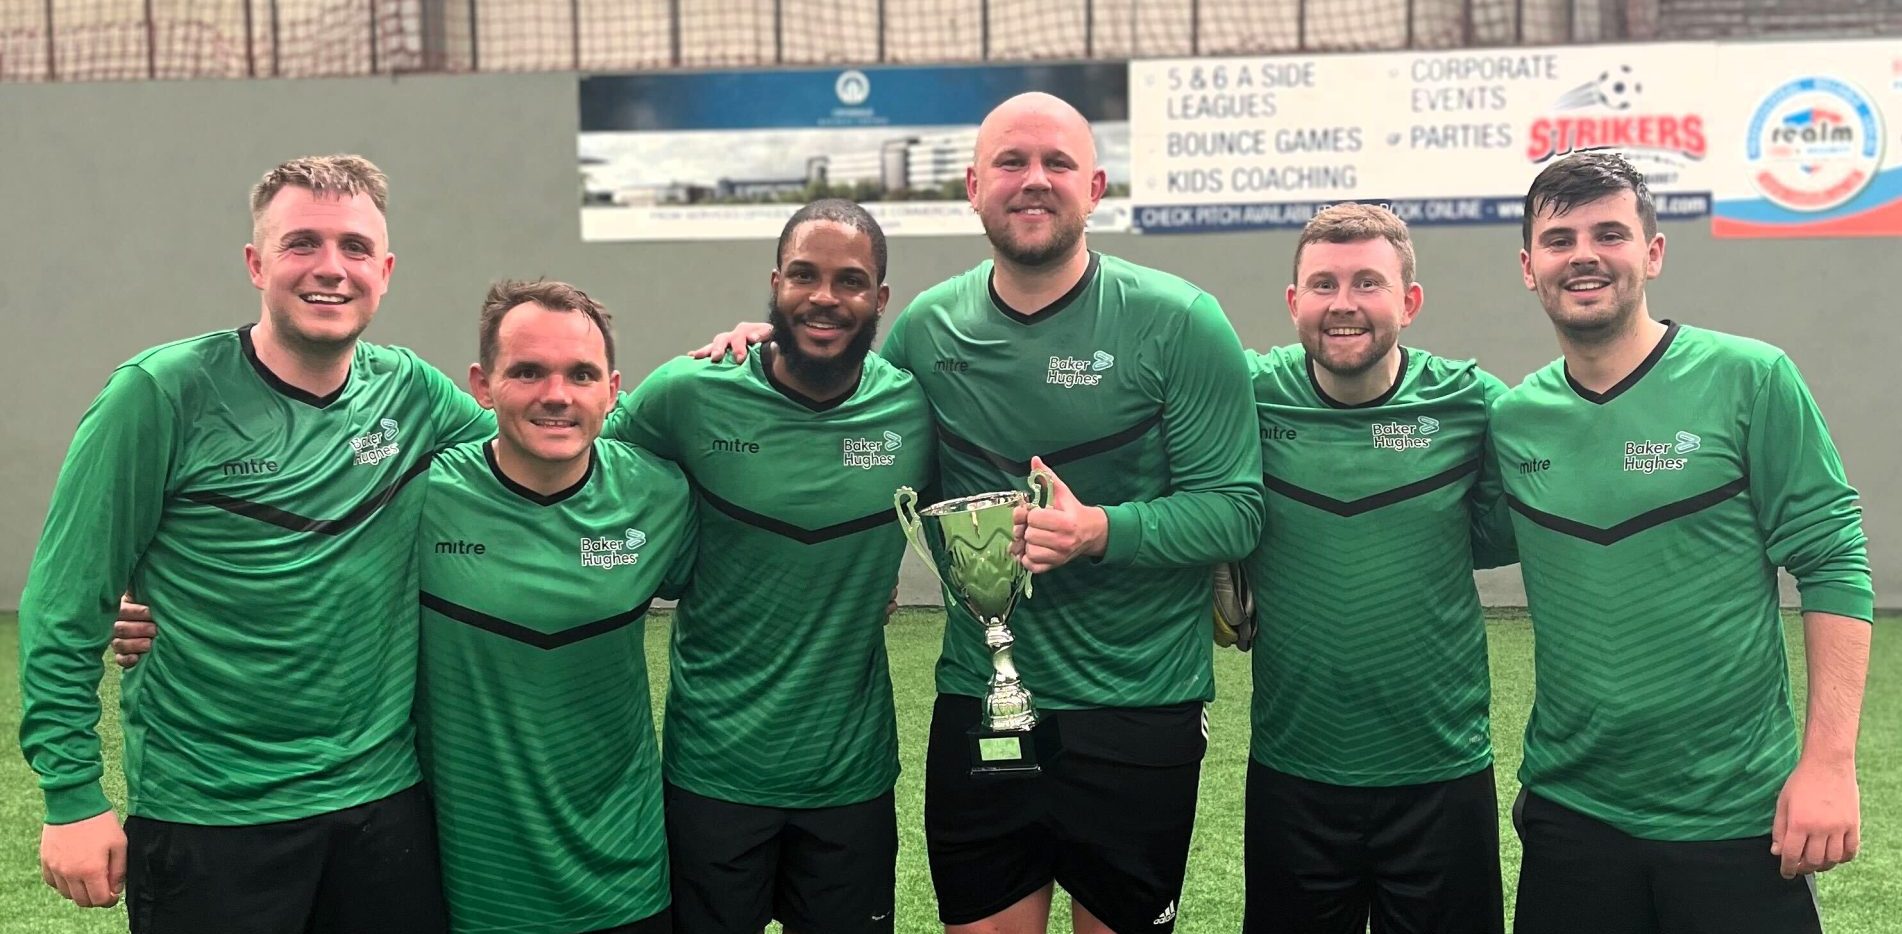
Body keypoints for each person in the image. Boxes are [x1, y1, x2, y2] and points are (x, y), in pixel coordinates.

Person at [696, 92, 1264, 934]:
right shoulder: (927, 330)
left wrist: (1099, 531)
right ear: (972, 185)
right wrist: (777, 345)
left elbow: (1235, 512)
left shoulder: (1180, 321)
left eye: (1057, 164)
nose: (1033, 182)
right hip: (981, 699)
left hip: (1137, 710)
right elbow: (847, 418)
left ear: (1096, 185)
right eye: (1011, 163)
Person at [19, 154, 489, 932]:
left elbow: (556, 442)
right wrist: (71, 798)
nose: (331, 269)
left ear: (387, 270)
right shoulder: (160, 392)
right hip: (210, 815)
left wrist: (751, 355)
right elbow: (66, 601)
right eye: (302, 243)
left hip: (382, 805)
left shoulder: (410, 391)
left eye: (355, 248)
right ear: (256, 263)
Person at [1494, 151, 1873, 934]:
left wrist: (1830, 766)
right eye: (1559, 240)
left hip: (1735, 816)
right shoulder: (1514, 418)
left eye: (1610, 233)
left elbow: (1834, 563)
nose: (1585, 255)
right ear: (1529, 268)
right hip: (1571, 814)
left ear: (1653, 253)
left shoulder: (1751, 378)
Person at [611, 200, 933, 933]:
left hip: (848, 776)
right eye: (803, 275)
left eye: (850, 281)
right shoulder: (687, 392)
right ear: (774, 284)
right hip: (713, 772)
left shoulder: (913, 408)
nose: (824, 297)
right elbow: (593, 478)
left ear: (880, 300)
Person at [1238, 203, 1513, 933]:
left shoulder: (1473, 403)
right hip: (1293, 773)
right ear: (1294, 303)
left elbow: (1508, 526)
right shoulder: (1248, 394)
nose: (1344, 305)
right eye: (1323, 285)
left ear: (1409, 302)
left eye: (1368, 283)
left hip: (1441, 775)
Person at [415, 279, 693, 934]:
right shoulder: (420, 495)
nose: (557, 395)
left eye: (581, 373)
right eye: (528, 371)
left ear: (613, 389)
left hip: (625, 879)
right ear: (483, 385)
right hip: (470, 887)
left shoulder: (662, 495)